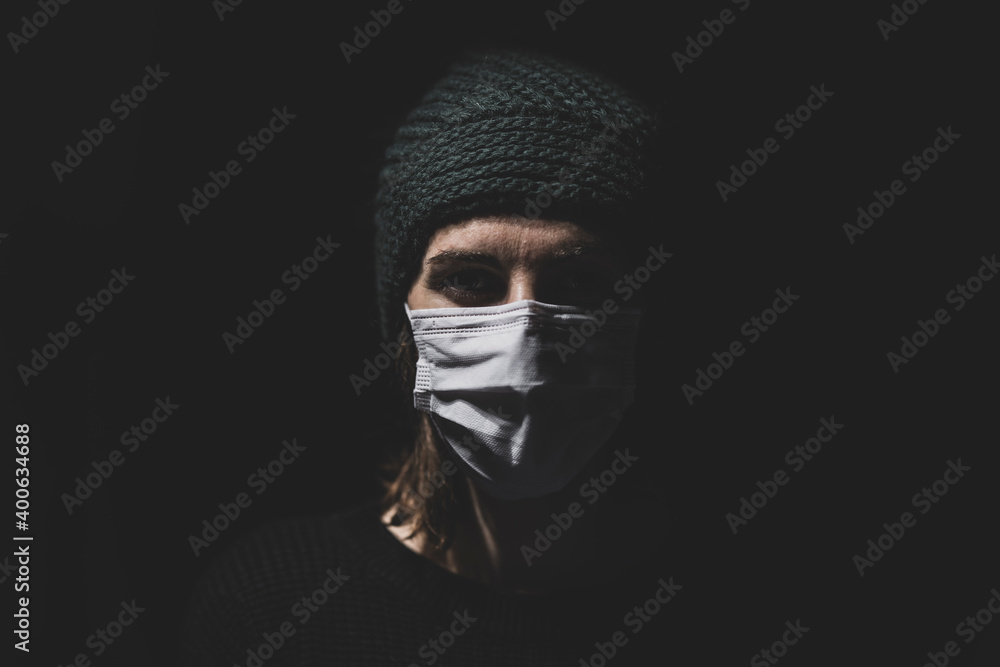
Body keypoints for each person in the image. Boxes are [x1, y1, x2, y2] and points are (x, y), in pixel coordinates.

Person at [177, 46, 668, 666]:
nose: (524, 338)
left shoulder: (731, 595)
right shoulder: (271, 598)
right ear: (403, 317)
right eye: (469, 279)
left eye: (579, 284)